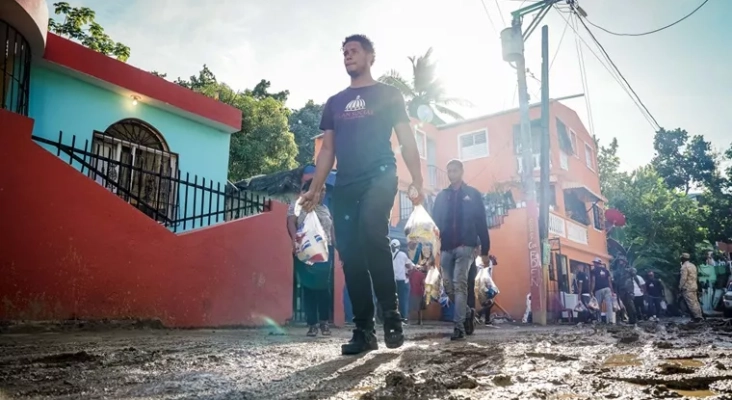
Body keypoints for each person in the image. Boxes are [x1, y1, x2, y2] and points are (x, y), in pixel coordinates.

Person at [299, 34, 424, 355]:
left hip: (381, 175)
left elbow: (407, 140)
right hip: (348, 183)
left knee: (372, 230)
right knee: (351, 253)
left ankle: (392, 316)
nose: (347, 56)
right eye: (343, 52)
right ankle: (364, 330)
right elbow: (327, 149)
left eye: (353, 51)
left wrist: (418, 180)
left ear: (370, 56)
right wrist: (315, 188)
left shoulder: (389, 94)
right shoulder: (335, 103)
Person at [432, 159, 490, 341]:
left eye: (455, 170)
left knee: (460, 284)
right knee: (448, 287)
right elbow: (434, 223)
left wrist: (485, 250)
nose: (451, 174)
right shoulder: (442, 196)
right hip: (446, 247)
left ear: (462, 171)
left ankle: (458, 327)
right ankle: (467, 313)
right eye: (449, 171)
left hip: (466, 246)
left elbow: (481, 222)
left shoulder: (473, 194)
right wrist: (431, 246)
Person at [287, 179, 335, 337]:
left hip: (324, 250)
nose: (322, 193)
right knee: (308, 287)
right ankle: (312, 324)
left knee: (323, 286)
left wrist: (336, 247)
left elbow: (331, 229)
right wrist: (295, 241)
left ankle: (324, 321)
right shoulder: (298, 205)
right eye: (319, 190)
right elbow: (291, 222)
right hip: (305, 249)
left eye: (324, 191)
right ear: (309, 190)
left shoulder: (325, 209)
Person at [390, 239, 414, 323]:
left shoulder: (389, 255)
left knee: (393, 300)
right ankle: (404, 319)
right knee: (403, 300)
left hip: (393, 281)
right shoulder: (402, 254)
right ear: (399, 246)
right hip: (402, 281)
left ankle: (394, 318)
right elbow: (410, 266)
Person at [589, 258, 615, 324]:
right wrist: (612, 291)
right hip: (607, 288)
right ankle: (610, 320)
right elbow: (609, 281)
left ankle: (599, 320)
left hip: (598, 289)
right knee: (609, 305)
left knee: (598, 305)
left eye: (595, 263)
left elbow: (593, 281)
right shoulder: (606, 271)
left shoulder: (593, 271)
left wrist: (591, 290)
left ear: (596, 263)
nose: (594, 264)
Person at [679, 252, 703, 322]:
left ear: (682, 258)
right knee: (695, 302)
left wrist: (680, 287)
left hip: (687, 287)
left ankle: (697, 317)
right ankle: (699, 315)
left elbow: (683, 278)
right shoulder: (693, 265)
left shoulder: (684, 267)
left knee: (690, 303)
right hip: (694, 286)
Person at [616, 258, 638, 325]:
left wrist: (640, 286)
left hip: (628, 288)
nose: (620, 262)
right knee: (626, 304)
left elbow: (635, 275)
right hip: (621, 289)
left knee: (630, 303)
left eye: (621, 261)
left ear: (625, 262)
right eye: (619, 261)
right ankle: (631, 319)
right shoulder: (618, 270)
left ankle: (634, 318)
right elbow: (616, 280)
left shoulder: (630, 269)